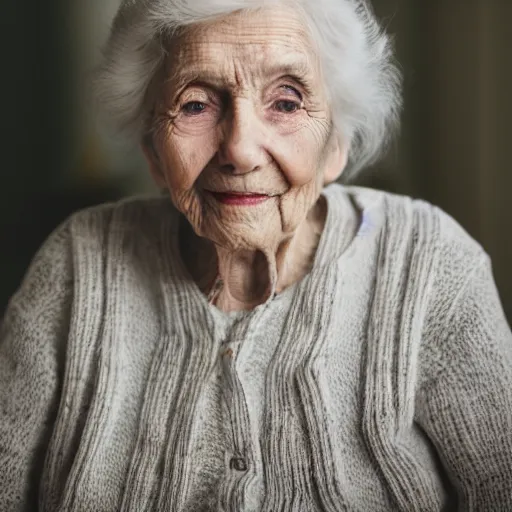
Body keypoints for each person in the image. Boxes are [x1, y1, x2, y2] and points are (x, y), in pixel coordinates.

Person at [1, 0, 511, 510]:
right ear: (153, 151)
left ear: (337, 144)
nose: (240, 149)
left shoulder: (428, 264)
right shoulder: (78, 264)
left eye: (286, 103)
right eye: (196, 104)